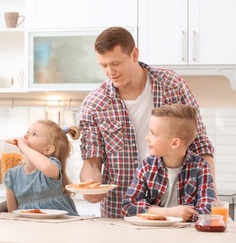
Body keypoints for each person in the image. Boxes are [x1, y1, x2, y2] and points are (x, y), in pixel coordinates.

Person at [79, 26, 216, 218]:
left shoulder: (172, 85)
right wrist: (92, 186)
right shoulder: (94, 104)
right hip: (122, 212)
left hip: (179, 213)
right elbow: (92, 161)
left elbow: (200, 143)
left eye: (115, 63)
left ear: (134, 54)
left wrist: (210, 194)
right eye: (103, 65)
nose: (110, 72)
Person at [121, 104, 216, 221]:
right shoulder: (147, 166)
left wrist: (150, 210)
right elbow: (128, 206)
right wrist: (169, 212)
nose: (147, 137)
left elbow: (208, 210)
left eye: (153, 134)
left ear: (175, 143)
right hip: (152, 232)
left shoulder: (200, 166)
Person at [4, 119, 80, 216]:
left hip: (60, 226)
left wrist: (24, 147)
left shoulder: (52, 166)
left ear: (48, 149)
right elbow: (12, 213)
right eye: (27, 132)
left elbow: (47, 168)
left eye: (34, 134)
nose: (25, 136)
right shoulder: (11, 175)